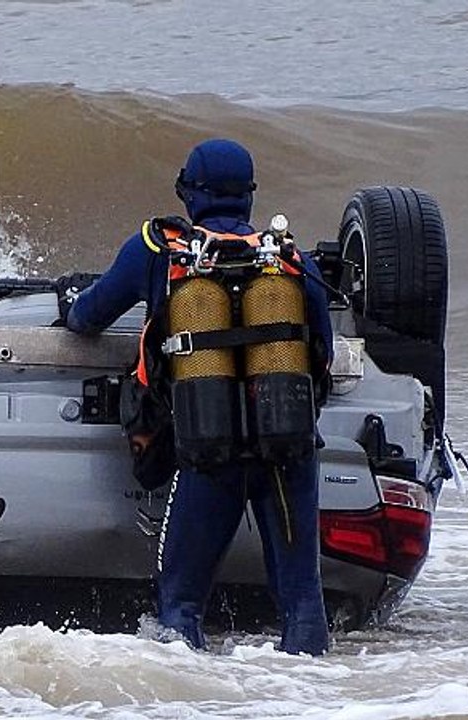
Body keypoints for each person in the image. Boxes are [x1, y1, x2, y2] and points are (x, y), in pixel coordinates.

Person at [64, 138, 334, 655]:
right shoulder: (290, 260)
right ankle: (311, 690)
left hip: (208, 452)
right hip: (287, 450)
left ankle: (190, 690)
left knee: (181, 603)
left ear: (189, 192)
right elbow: (321, 352)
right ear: (250, 195)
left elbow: (86, 317)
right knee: (302, 600)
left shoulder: (157, 251)